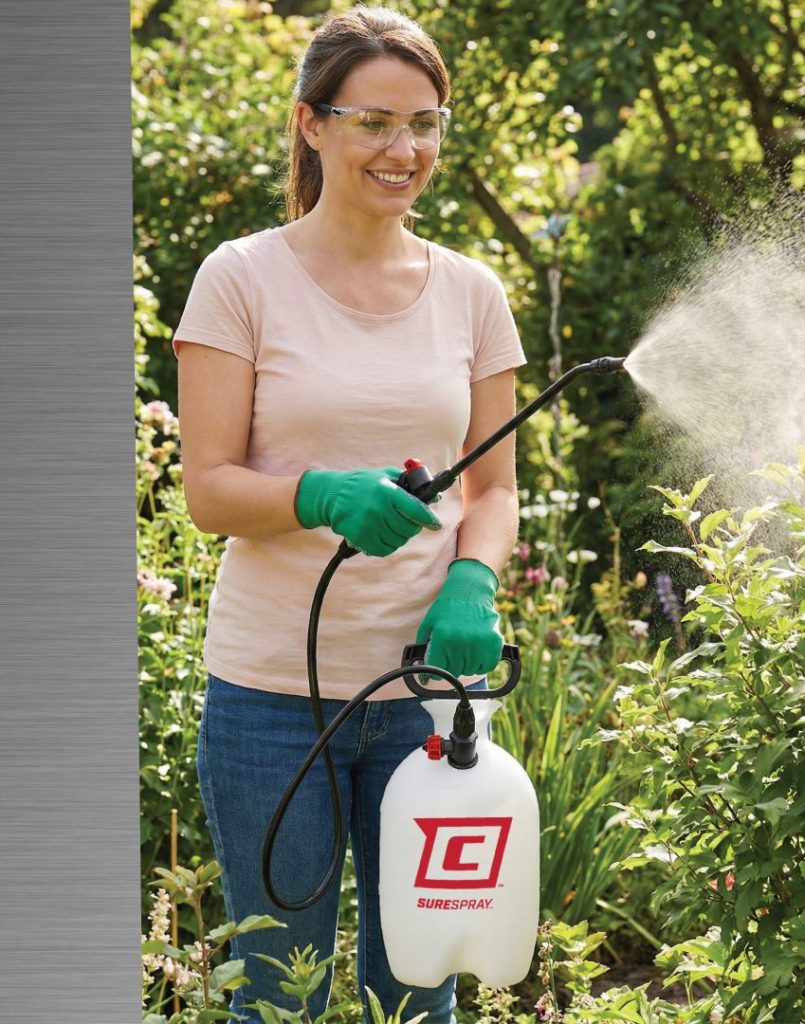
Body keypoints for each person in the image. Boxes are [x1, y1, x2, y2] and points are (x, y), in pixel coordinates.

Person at [172, 7, 526, 1022]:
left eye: (424, 123)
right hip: (269, 702)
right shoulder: (240, 279)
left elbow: (492, 489)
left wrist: (473, 576)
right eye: (374, 122)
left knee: (417, 992)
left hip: (428, 695)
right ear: (313, 124)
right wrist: (319, 494)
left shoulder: (471, 293)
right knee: (280, 995)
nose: (402, 149)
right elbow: (206, 489)